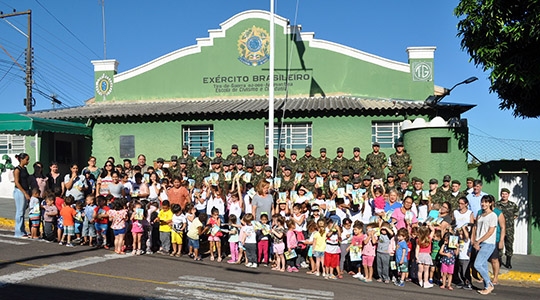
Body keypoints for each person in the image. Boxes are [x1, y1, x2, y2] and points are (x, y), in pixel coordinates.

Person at [471, 194, 497, 295]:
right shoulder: (480, 214)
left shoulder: (493, 215)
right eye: (482, 202)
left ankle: (490, 284)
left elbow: (490, 231)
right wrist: (474, 240)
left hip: (488, 243)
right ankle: (487, 286)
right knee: (483, 265)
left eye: (486, 202)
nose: (483, 204)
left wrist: (479, 241)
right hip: (479, 242)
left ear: (490, 203)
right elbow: (476, 227)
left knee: (477, 264)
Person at [495, 188, 519, 269]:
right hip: (499, 228)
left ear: (508, 195)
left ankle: (508, 261)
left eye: (505, 194)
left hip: (509, 229)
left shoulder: (513, 205)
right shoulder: (496, 204)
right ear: (500, 194)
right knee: (499, 244)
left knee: (509, 244)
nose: (504, 195)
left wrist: (509, 220)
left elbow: (516, 214)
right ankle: (499, 260)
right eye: (502, 194)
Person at [13, 153, 30, 238]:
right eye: (27, 159)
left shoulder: (25, 169)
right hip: (19, 191)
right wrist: (25, 193)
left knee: (23, 211)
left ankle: (22, 230)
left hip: (25, 190)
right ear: (21, 159)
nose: (28, 161)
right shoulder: (17, 169)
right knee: (20, 212)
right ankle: (18, 232)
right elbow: (17, 182)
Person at [416, 224, 435, 288]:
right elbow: (433, 230)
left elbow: (417, 248)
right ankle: (426, 282)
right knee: (426, 270)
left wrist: (416, 256)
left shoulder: (418, 240)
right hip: (427, 255)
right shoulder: (429, 238)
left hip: (420, 255)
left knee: (420, 270)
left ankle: (420, 281)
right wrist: (429, 225)